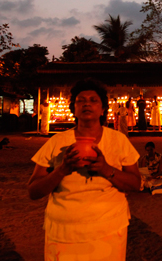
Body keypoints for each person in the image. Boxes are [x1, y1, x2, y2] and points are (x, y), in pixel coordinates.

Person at [28, 79, 141, 260]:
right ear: (73, 108)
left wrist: (106, 169)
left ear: (103, 109)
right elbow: (33, 191)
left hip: (108, 228)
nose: (87, 103)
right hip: (63, 229)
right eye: (81, 100)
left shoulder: (118, 141)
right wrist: (61, 170)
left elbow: (136, 183)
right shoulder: (56, 142)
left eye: (93, 100)